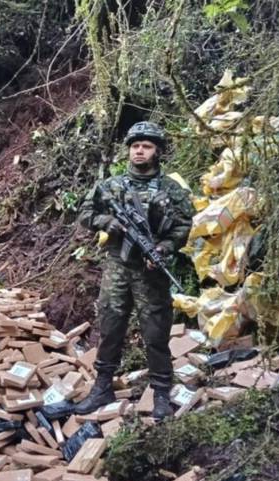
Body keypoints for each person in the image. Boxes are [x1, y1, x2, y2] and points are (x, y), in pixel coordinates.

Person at [76, 121, 194, 420]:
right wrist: (107, 222)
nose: (139, 151)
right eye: (135, 146)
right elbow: (86, 213)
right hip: (117, 265)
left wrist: (164, 248)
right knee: (110, 326)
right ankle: (102, 386)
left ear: (157, 152)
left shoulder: (171, 189)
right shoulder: (111, 186)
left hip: (151, 271)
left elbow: (183, 225)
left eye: (147, 146)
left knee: (156, 332)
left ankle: (161, 392)